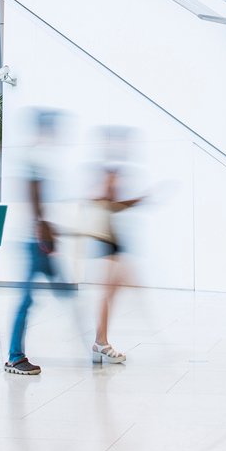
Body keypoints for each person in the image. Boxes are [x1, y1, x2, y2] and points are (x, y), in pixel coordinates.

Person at [4, 109, 78, 376]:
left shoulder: (40, 156)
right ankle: (14, 357)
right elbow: (34, 197)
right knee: (28, 299)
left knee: (63, 292)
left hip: (38, 239)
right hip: (33, 241)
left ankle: (92, 344)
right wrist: (43, 233)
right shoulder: (34, 156)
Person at [88, 133, 146, 367]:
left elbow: (114, 205)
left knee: (115, 292)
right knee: (109, 294)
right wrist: (139, 200)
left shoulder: (108, 185)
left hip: (114, 243)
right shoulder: (102, 185)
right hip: (108, 244)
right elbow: (108, 203)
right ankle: (100, 342)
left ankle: (100, 341)